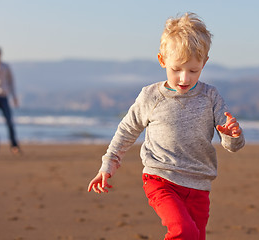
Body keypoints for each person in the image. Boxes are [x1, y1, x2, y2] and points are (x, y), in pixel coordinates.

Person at [88, 12, 245, 240]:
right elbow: (127, 130)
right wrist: (108, 164)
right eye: (176, 69)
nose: (184, 78)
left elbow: (233, 145)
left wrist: (232, 135)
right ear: (162, 60)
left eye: (193, 70)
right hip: (160, 179)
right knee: (184, 232)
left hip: (199, 185)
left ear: (204, 62)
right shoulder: (151, 96)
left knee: (195, 237)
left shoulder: (210, 96)